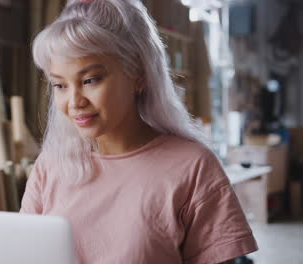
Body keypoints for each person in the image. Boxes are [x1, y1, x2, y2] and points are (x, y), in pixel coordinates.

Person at [20, 0, 258, 263]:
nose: (74, 102)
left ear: (139, 75)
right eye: (60, 85)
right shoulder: (50, 165)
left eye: (90, 80)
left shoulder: (192, 166)